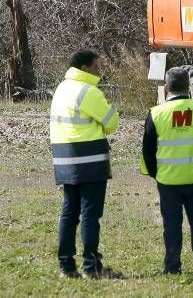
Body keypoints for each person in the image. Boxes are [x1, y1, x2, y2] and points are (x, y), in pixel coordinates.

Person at [141, 67, 193, 276]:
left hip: (168, 181)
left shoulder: (156, 113)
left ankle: (172, 266)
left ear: (166, 87)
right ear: (188, 86)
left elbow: (147, 150)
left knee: (172, 225)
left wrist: (155, 173)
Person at [49, 49, 121, 279]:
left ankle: (66, 265)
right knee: (90, 214)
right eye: (96, 66)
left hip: (64, 158)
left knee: (69, 212)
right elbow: (112, 123)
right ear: (85, 67)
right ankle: (92, 266)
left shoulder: (61, 89)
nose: (99, 70)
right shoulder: (88, 91)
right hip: (90, 159)